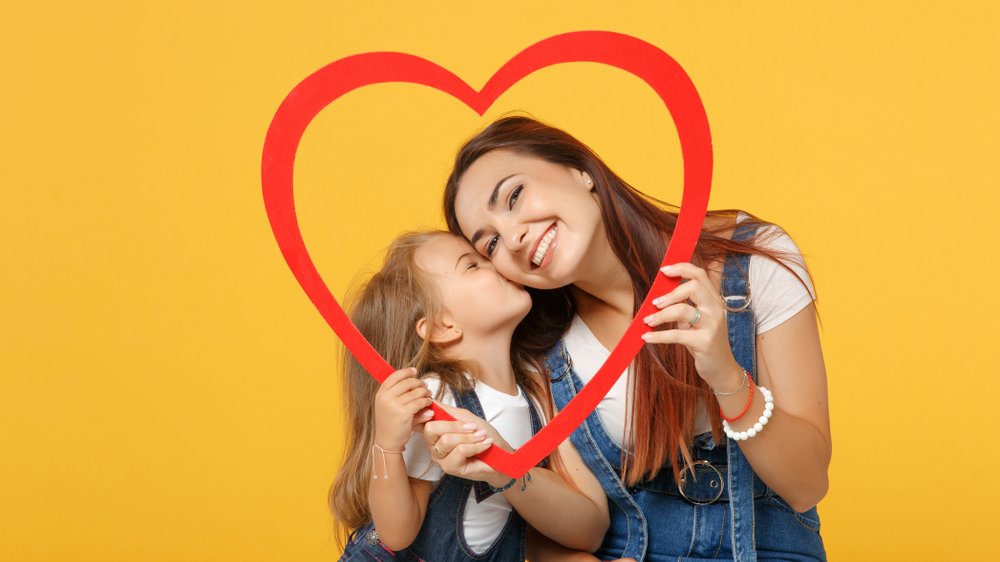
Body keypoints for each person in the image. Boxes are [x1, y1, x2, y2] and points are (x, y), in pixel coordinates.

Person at [432, 116, 830, 561]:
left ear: (578, 170)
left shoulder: (749, 265)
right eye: (489, 245)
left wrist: (724, 374)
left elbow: (807, 484)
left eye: (514, 196)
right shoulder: (539, 350)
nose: (514, 236)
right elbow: (554, 536)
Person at [329, 230, 617, 561]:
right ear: (441, 327)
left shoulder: (538, 398)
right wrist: (387, 446)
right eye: (473, 265)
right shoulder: (437, 396)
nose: (498, 263)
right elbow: (397, 534)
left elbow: (553, 531)